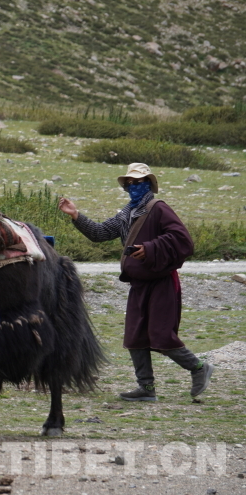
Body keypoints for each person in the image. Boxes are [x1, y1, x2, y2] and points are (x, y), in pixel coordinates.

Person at [57, 162, 213, 401]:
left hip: (162, 282)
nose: (133, 186)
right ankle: (146, 389)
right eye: (130, 183)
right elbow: (100, 233)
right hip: (139, 284)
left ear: (149, 184)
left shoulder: (159, 208)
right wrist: (76, 215)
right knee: (135, 336)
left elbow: (183, 241)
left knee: (160, 335)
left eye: (138, 182)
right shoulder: (127, 212)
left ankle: (199, 368)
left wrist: (150, 249)